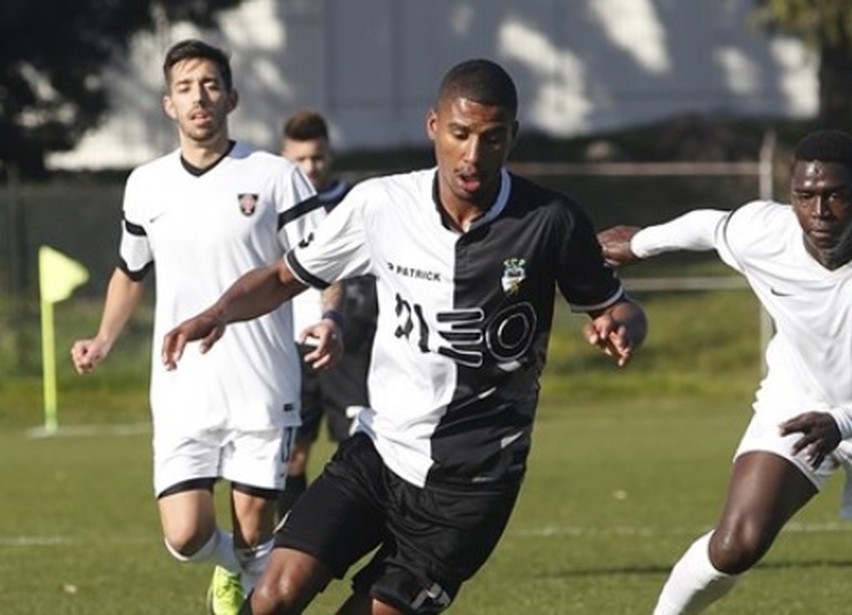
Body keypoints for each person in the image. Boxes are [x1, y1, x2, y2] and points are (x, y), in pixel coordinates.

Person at [160, 58, 649, 614]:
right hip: (378, 455)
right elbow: (282, 276)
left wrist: (621, 325)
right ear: (433, 126)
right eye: (460, 134)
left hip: (470, 487)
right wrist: (219, 312)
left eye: (491, 139)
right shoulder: (380, 205)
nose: (472, 155)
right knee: (273, 593)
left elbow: (619, 306)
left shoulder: (550, 221)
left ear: (511, 135)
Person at [599, 129, 852, 615]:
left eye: (836, 196)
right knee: (735, 545)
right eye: (804, 197)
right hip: (800, 403)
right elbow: (708, 226)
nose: (819, 212)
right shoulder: (765, 233)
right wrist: (641, 243)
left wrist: (844, 424)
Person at [70, 39, 340, 615]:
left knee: (253, 525)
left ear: (232, 98)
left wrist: (327, 318)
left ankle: (252, 590)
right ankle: (232, 569)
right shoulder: (145, 185)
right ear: (168, 104)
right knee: (185, 535)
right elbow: (129, 271)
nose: (200, 98)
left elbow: (323, 262)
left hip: (261, 384)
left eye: (211, 85)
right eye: (186, 88)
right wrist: (103, 338)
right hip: (181, 386)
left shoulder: (274, 177)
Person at [279, 109, 378, 517]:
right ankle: (290, 537)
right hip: (294, 347)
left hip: (348, 343)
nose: (310, 167)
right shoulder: (277, 206)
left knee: (355, 449)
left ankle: (350, 530)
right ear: (284, 157)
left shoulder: (355, 203)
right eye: (299, 160)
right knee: (293, 454)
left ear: (329, 155)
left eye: (316, 158)